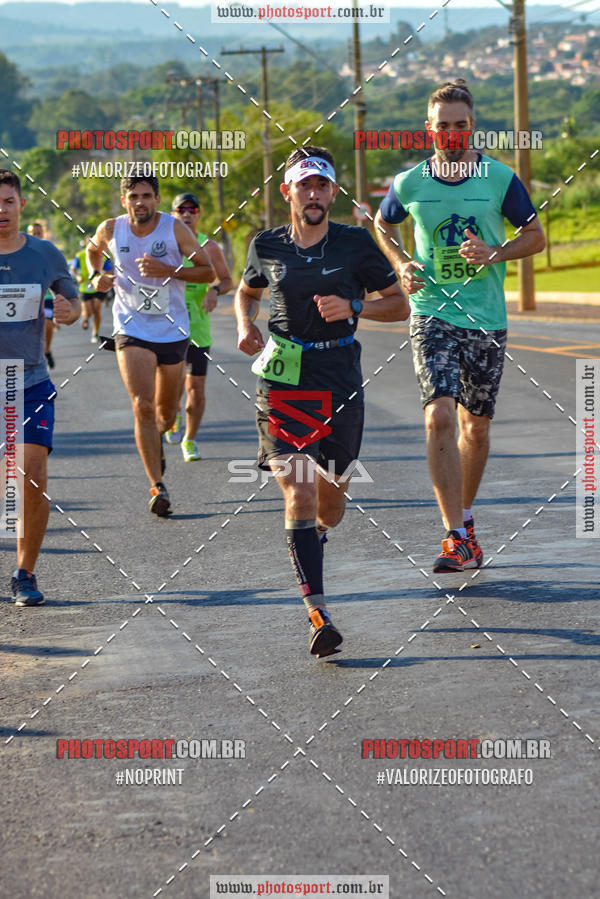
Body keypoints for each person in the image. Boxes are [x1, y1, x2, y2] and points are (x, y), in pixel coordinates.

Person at [235, 146, 409, 657]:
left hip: (340, 380)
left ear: (333, 192)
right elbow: (246, 292)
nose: (313, 194)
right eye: (304, 185)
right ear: (287, 192)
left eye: (322, 186)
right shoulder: (266, 244)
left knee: (330, 504)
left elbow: (399, 305)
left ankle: (316, 537)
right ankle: (318, 613)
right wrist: (245, 324)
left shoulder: (355, 244)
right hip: (284, 381)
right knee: (300, 491)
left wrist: (353, 305)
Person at [374, 79, 545, 573]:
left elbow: (535, 236)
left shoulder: (499, 178)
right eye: (442, 125)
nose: (451, 133)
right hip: (432, 311)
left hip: (485, 317)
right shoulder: (410, 183)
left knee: (477, 427)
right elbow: (383, 224)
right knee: (440, 417)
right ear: (429, 130)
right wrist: (401, 263)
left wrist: (495, 252)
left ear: (472, 127)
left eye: (460, 125)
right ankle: (453, 535)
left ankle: (466, 523)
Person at [87, 175, 214, 517]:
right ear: (124, 200)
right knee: (142, 406)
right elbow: (92, 251)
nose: (140, 202)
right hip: (131, 328)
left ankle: (157, 439)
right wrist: (95, 276)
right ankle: (157, 485)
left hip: (172, 330)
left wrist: (170, 270)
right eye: (133, 196)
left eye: (146, 195)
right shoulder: (111, 228)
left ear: (157, 199)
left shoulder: (175, 230)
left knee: (166, 413)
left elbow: (207, 271)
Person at [0, 170, 80, 606]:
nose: (2, 210)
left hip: (28, 381)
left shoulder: (45, 254)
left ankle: (24, 574)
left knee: (30, 475)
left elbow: (72, 302)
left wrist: (68, 310)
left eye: (8, 201)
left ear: (21, 205)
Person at [168, 192, 233, 461]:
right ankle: (172, 412)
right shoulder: (163, 244)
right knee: (171, 387)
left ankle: (190, 439)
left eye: (192, 210)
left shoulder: (210, 247)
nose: (187, 214)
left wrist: (215, 291)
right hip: (166, 329)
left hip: (197, 329)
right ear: (172, 215)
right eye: (181, 210)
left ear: (198, 214)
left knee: (196, 387)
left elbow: (227, 280)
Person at [27, 221, 57, 369]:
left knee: (48, 325)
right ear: (28, 234)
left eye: (39, 233)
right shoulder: (21, 252)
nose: (36, 235)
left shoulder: (49, 252)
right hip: (27, 298)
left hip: (47, 297)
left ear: (43, 234)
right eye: (33, 233)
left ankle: (47, 351)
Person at [71, 235, 111, 343]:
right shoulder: (80, 255)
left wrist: (105, 277)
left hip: (98, 286)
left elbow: (109, 269)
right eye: (89, 242)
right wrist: (78, 276)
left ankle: (95, 333)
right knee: (88, 311)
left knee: (97, 308)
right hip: (85, 287)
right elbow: (73, 268)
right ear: (86, 244)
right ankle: (85, 318)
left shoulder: (103, 255)